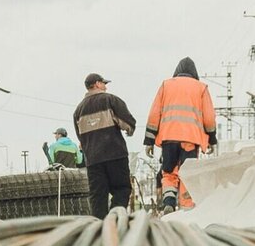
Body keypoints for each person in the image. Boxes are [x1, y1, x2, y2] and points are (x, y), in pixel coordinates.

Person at [144, 57, 217, 214]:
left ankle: (169, 201)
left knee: (169, 172)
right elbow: (209, 117)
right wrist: (212, 139)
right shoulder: (201, 88)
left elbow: (154, 114)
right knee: (187, 173)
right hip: (190, 140)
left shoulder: (166, 85)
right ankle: (186, 207)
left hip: (168, 138)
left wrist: (149, 140)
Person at [73, 73, 137, 218]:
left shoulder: (78, 111)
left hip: (93, 160)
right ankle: (114, 220)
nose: (106, 87)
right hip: (115, 154)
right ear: (96, 84)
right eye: (103, 83)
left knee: (98, 197)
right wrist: (130, 130)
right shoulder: (110, 100)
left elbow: (81, 137)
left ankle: (99, 229)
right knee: (122, 189)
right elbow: (128, 123)